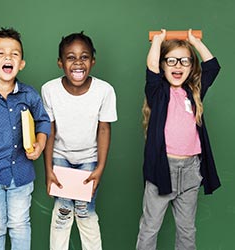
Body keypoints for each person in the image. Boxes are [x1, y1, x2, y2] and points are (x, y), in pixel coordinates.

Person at [136, 29, 221, 250]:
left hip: (191, 170)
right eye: (171, 61)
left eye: (184, 61)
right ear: (163, 65)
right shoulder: (158, 92)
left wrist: (193, 41)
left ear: (192, 67)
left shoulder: (194, 92)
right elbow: (151, 67)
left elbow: (212, 66)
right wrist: (158, 41)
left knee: (187, 230)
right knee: (150, 227)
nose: (178, 66)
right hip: (162, 169)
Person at [0, 27, 51, 250]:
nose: (8, 57)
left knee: (20, 225)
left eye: (14, 53)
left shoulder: (29, 95)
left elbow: (43, 122)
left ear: (21, 63)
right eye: (0, 53)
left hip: (22, 176)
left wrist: (40, 144)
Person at [41, 32, 117, 250]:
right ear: (60, 63)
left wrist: (100, 168)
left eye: (84, 57)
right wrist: (48, 169)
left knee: (85, 211)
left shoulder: (104, 91)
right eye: (70, 57)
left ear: (92, 61)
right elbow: (50, 130)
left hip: (89, 159)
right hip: (60, 157)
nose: (78, 63)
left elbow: (104, 129)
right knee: (63, 211)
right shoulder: (50, 90)